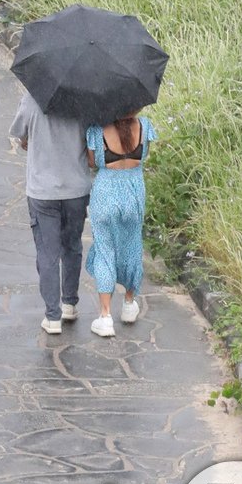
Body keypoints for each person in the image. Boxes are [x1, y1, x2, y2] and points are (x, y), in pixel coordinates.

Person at [9, 86, 89, 335]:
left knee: (47, 252)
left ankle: (52, 316)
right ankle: (69, 304)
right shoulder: (82, 101)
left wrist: (28, 141)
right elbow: (91, 141)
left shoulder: (32, 100)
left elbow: (20, 135)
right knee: (73, 246)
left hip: (42, 191)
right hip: (76, 188)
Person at [85, 110, 157, 336]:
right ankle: (128, 304)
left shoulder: (97, 130)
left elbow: (92, 163)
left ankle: (105, 316)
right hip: (134, 194)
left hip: (105, 195)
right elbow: (144, 156)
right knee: (132, 247)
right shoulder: (144, 126)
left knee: (105, 251)